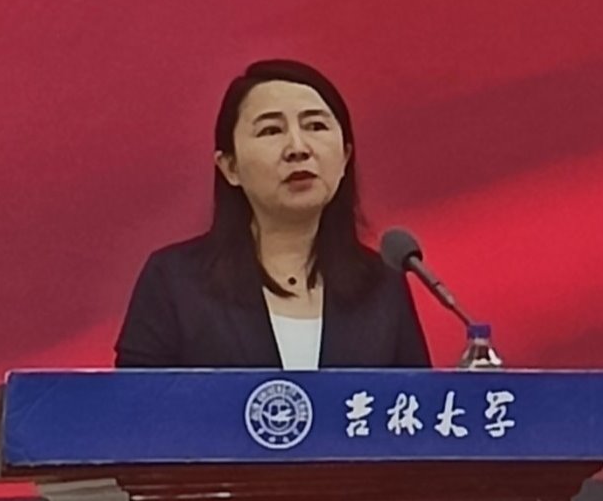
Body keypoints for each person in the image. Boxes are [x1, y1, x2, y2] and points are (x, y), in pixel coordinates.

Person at [115, 58, 433, 370]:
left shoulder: (382, 284)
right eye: (271, 130)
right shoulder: (175, 280)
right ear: (230, 166)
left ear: (345, 157)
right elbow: (133, 402)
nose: (298, 148)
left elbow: (415, 402)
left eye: (316, 126)